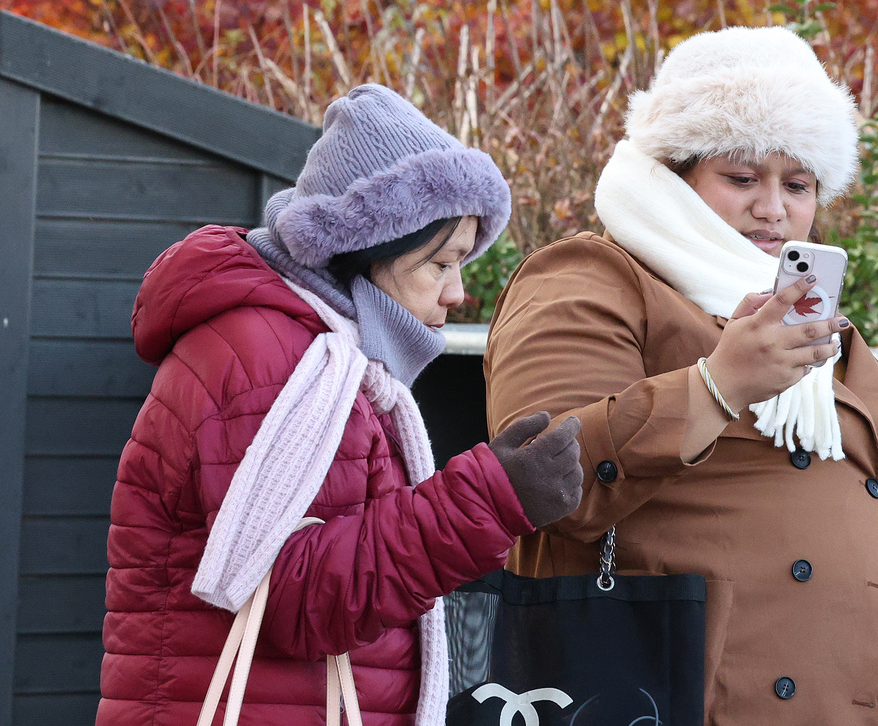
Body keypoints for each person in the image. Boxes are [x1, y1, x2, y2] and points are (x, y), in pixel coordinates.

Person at [483, 27, 878, 726]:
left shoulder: (817, 327)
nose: (773, 208)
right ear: (673, 174)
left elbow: (869, 546)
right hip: (674, 698)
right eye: (742, 178)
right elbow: (546, 481)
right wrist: (717, 386)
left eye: (797, 184)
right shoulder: (590, 276)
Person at [99, 84, 584, 726]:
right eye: (440, 264)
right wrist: (491, 501)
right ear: (367, 251)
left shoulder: (320, 353)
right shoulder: (277, 359)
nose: (460, 292)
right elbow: (297, 594)